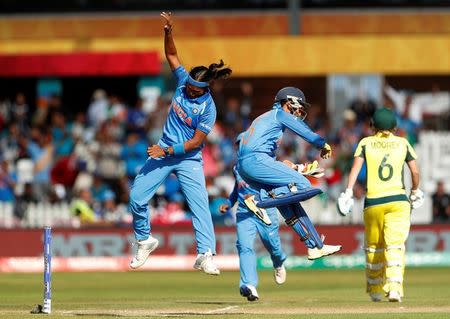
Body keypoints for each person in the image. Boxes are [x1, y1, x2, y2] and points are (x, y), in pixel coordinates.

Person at [128, 11, 232, 275]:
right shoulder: (184, 81)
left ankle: (206, 254)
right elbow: (172, 56)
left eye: (195, 90)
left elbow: (196, 142)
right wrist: (168, 32)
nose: (189, 90)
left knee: (200, 207)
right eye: (189, 87)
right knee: (137, 198)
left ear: (205, 89)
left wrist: (166, 150)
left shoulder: (208, 108)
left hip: (187, 157)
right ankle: (144, 240)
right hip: (163, 151)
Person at [237, 87, 341, 260]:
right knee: (303, 185)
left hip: (248, 164)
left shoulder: (265, 119)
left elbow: (244, 140)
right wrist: (321, 143)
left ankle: (315, 246)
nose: (300, 112)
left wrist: (296, 167)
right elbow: (301, 129)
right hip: (255, 161)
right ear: (289, 102)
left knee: (288, 204)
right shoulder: (278, 114)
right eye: (299, 107)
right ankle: (256, 200)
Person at [338, 107, 424, 303]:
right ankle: (394, 288)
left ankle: (375, 290)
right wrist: (415, 191)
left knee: (374, 247)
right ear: (394, 127)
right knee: (395, 246)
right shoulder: (403, 143)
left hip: (373, 202)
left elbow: (355, 169)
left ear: (372, 126)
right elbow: (415, 172)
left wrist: (348, 192)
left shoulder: (365, 143)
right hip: (398, 201)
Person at [220, 165, 287, 302]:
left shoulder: (265, 163)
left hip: (266, 210)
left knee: (273, 247)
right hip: (244, 213)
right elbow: (238, 188)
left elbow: (279, 186)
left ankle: (278, 263)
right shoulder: (236, 167)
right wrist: (229, 202)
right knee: (244, 247)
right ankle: (248, 285)